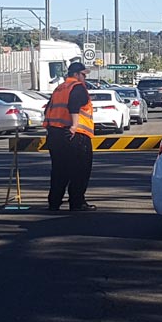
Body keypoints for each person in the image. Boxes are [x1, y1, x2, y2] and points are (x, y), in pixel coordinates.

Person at [42, 61, 96, 212]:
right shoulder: (77, 87)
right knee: (80, 170)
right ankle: (77, 202)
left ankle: (54, 203)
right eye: (84, 75)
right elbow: (73, 106)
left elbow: (48, 109)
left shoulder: (59, 89)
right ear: (77, 75)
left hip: (55, 135)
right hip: (75, 135)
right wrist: (73, 126)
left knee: (59, 170)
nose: (85, 78)